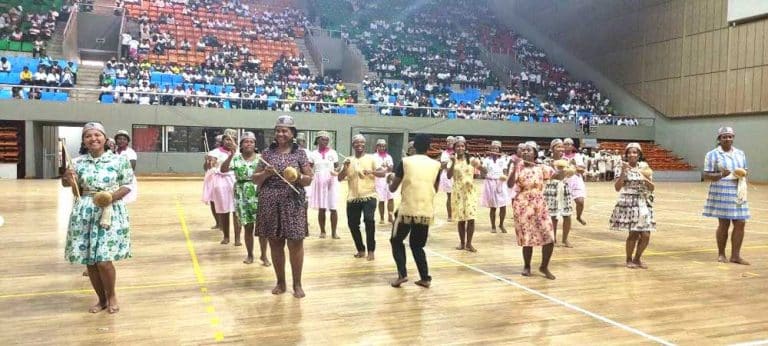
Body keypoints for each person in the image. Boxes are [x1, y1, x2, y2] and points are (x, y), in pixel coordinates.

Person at [62, 122, 134, 313]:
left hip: (109, 211)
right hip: (84, 211)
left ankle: (111, 295)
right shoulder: (77, 162)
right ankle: (101, 299)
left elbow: (128, 185)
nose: (93, 138)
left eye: (97, 135)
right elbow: (73, 189)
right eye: (88, 136)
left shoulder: (119, 160)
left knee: (103, 260)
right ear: (84, 141)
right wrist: (67, 178)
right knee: (90, 261)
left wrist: (110, 197)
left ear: (104, 137)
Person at [252, 115, 313, 298]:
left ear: (292, 133)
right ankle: (280, 282)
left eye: (284, 130)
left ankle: (297, 284)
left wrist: (297, 177)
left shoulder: (300, 154)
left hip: (293, 203)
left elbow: (309, 180)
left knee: (295, 243)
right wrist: (265, 173)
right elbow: (255, 179)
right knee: (275, 243)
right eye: (278, 130)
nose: (280, 133)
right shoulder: (267, 153)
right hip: (270, 202)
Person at [388, 133, 442, 288]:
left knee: (396, 240)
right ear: (429, 147)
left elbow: (393, 188)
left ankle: (402, 275)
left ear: (414, 146)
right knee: (417, 245)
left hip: (406, 210)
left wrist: (390, 178)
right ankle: (425, 278)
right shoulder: (436, 165)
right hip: (425, 211)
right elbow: (435, 188)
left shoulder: (405, 162)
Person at [506, 141, 556, 279]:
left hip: (540, 204)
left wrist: (563, 168)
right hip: (522, 205)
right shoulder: (518, 167)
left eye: (529, 150)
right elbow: (510, 184)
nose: (526, 152)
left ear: (535, 153)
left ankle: (544, 266)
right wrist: (514, 167)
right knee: (527, 237)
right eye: (524, 150)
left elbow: (557, 176)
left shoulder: (541, 167)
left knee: (550, 236)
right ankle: (527, 265)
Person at [221, 132, 270, 266]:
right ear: (241, 145)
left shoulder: (262, 159)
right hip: (242, 194)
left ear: (255, 145)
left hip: (259, 193)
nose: (249, 144)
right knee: (248, 227)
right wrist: (230, 156)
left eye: (252, 142)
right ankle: (250, 254)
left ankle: (264, 255)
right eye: (246, 142)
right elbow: (223, 169)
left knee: (262, 228)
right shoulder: (236, 158)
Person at [703, 127, 750, 265]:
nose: (728, 139)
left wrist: (743, 174)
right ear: (719, 139)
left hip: (738, 188)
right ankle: (721, 254)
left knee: (741, 222)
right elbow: (706, 175)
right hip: (721, 188)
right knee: (724, 223)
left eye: (730, 136)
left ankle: (735, 255)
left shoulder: (740, 153)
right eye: (724, 137)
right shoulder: (712, 154)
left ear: (733, 137)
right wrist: (720, 175)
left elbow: (745, 170)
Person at [337, 134, 386, 260]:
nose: (359, 145)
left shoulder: (371, 159)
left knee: (369, 220)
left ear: (364, 145)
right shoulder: (348, 160)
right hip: (353, 197)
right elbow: (339, 178)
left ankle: (371, 250)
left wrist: (372, 172)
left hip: (369, 196)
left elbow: (382, 173)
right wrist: (345, 168)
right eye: (356, 143)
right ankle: (360, 249)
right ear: (353, 145)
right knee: (353, 224)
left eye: (362, 143)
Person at [609, 143, 655, 269]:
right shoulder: (621, 167)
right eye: (629, 152)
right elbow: (617, 188)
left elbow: (652, 187)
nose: (632, 155)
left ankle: (637, 258)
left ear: (639, 154)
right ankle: (629, 259)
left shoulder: (645, 167)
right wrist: (624, 172)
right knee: (633, 233)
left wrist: (644, 178)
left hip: (643, 202)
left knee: (646, 235)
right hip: (629, 201)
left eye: (634, 152)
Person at [446, 136, 479, 252]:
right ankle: (462, 243)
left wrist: (479, 164)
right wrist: (453, 162)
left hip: (470, 190)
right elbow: (449, 176)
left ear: (465, 147)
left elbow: (482, 172)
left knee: (471, 217)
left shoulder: (471, 159)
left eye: (462, 146)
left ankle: (469, 243)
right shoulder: (453, 159)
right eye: (458, 146)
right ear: (454, 148)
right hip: (458, 191)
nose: (460, 148)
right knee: (461, 219)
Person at [203, 133, 236, 244]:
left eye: (232, 140)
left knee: (236, 210)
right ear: (223, 141)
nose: (229, 141)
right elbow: (207, 167)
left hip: (235, 181)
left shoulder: (240, 153)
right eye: (227, 139)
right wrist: (208, 162)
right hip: (219, 182)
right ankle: (223, 230)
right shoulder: (214, 152)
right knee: (221, 207)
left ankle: (237, 238)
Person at [308, 131, 340, 239]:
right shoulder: (313, 154)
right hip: (319, 181)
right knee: (322, 207)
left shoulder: (333, 153)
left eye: (327, 139)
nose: (325, 141)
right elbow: (308, 168)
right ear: (317, 140)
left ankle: (334, 232)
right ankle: (322, 231)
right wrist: (311, 175)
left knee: (333, 207)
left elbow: (337, 167)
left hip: (331, 181)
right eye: (323, 139)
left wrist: (336, 170)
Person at [544, 139, 574, 247]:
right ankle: (553, 238)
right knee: (553, 216)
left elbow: (570, 174)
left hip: (564, 187)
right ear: (552, 149)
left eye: (562, 147)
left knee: (567, 215)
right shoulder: (546, 161)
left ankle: (565, 239)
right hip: (551, 188)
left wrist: (572, 169)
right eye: (558, 147)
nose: (561, 149)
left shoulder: (567, 160)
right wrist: (556, 172)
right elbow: (547, 177)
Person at [478, 140, 509, 233]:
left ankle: (501, 224)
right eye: (493, 148)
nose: (494, 149)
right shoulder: (486, 160)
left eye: (496, 148)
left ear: (499, 149)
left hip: (500, 183)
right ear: (490, 149)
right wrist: (480, 169)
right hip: (490, 183)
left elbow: (505, 171)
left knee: (503, 206)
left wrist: (505, 177)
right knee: (493, 207)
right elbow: (483, 173)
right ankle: (493, 226)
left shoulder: (503, 160)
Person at [563, 138, 588, 225]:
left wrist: (575, 165)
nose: (568, 146)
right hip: (565, 182)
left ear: (573, 146)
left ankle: (578, 216)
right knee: (564, 206)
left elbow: (582, 170)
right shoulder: (561, 157)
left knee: (580, 201)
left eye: (570, 144)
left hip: (576, 181)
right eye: (566, 144)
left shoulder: (577, 156)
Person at [373, 138, 395, 224]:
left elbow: (391, 168)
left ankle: (390, 216)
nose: (382, 148)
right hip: (379, 180)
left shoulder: (389, 157)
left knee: (390, 198)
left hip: (389, 179)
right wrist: (385, 169)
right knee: (381, 199)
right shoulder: (374, 157)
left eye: (383, 146)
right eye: (380, 146)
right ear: (377, 146)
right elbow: (376, 169)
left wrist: (385, 169)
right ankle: (382, 218)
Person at [114, 130, 138, 204]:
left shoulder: (130, 153)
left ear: (127, 141)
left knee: (125, 202)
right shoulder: (113, 152)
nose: (121, 141)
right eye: (119, 139)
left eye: (124, 139)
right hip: (114, 180)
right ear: (116, 141)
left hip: (126, 181)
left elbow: (131, 169)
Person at [438, 136, 456, 221]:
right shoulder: (444, 153)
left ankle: (458, 213)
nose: (449, 143)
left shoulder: (458, 151)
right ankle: (450, 215)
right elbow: (443, 165)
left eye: (451, 141)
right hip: (448, 176)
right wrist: (451, 161)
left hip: (457, 175)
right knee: (449, 196)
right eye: (448, 141)